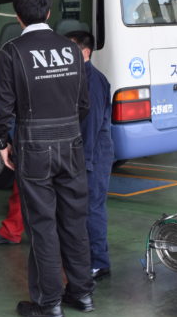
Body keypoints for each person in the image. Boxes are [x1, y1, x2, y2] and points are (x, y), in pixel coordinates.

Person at [0, 0, 93, 317]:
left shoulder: (12, 52)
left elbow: (1, 107)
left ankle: (49, 304)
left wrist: (2, 142)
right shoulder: (72, 50)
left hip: (34, 145)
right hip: (71, 143)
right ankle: (82, 294)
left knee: (42, 226)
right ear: (49, 12)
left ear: (18, 16)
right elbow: (84, 104)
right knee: (74, 221)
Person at [66, 30, 114, 281]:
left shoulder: (93, 81)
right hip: (85, 152)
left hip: (94, 153)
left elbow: (91, 125)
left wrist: (83, 163)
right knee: (81, 209)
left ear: (85, 52)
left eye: (69, 48)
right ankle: (88, 258)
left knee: (92, 208)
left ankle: (99, 262)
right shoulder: (75, 77)